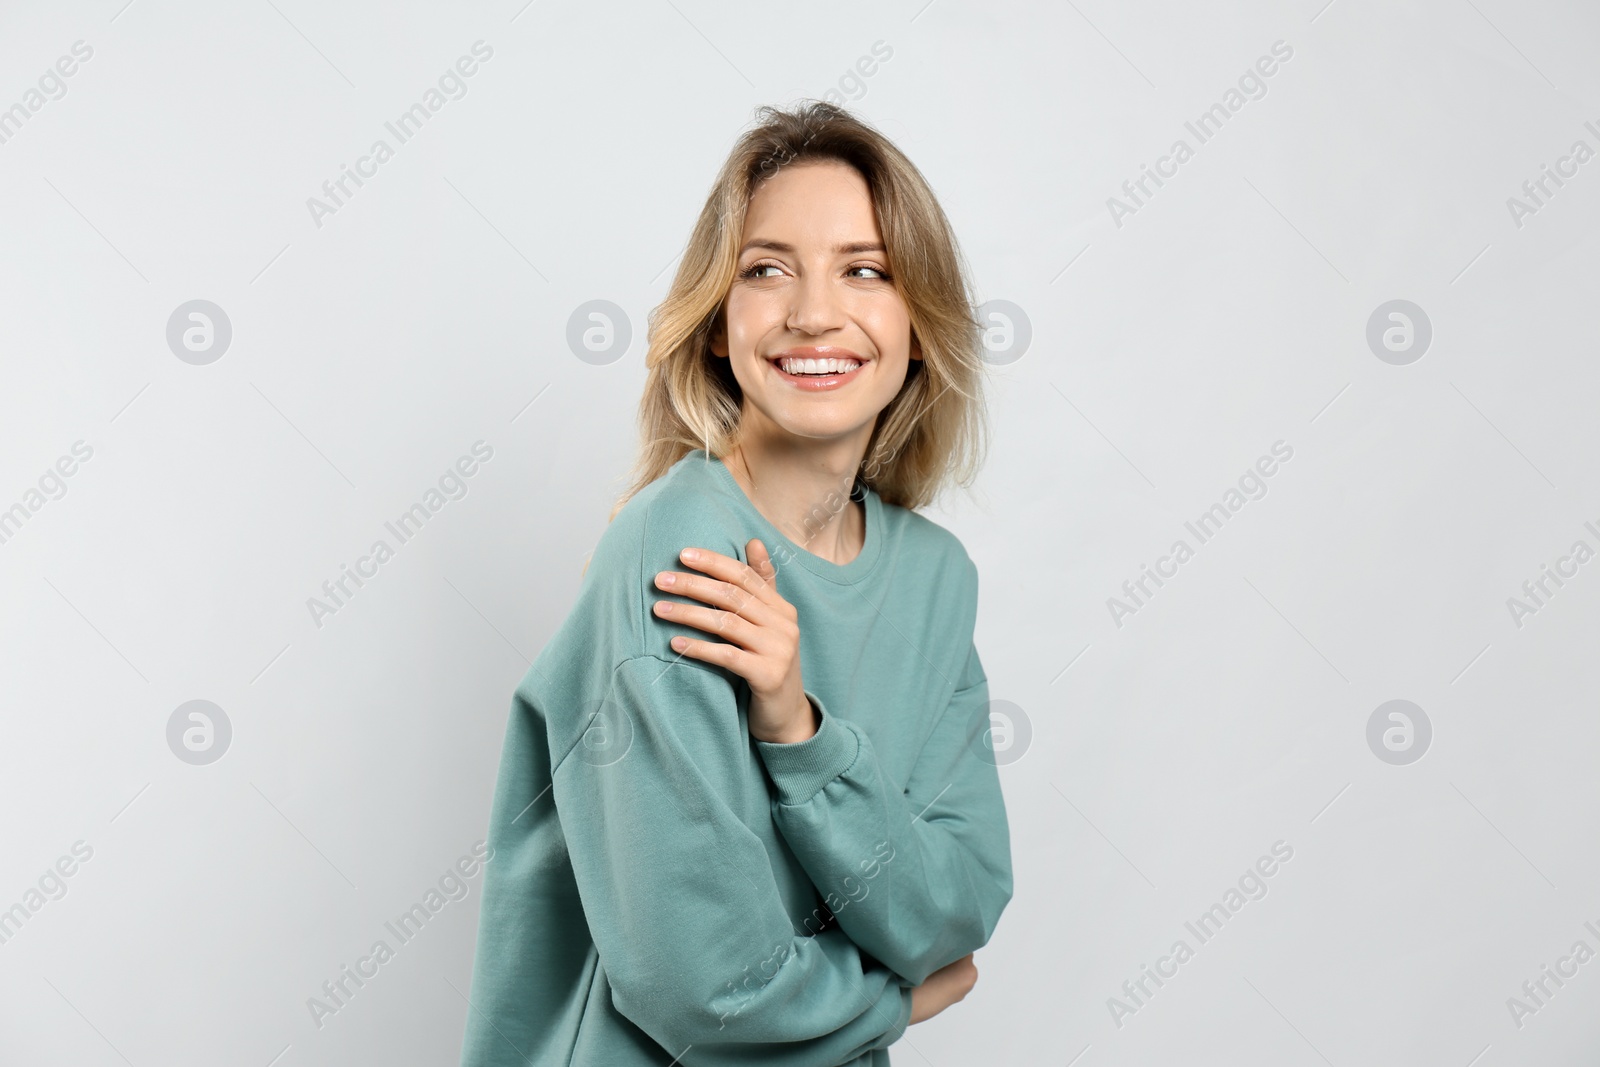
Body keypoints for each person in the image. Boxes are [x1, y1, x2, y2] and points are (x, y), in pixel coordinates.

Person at [459, 100, 1012, 1067]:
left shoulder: (935, 579)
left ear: (919, 326)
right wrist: (896, 1004)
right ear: (718, 323)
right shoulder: (676, 556)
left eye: (865, 270)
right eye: (766, 269)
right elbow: (704, 991)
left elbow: (954, 905)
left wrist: (797, 734)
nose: (812, 312)